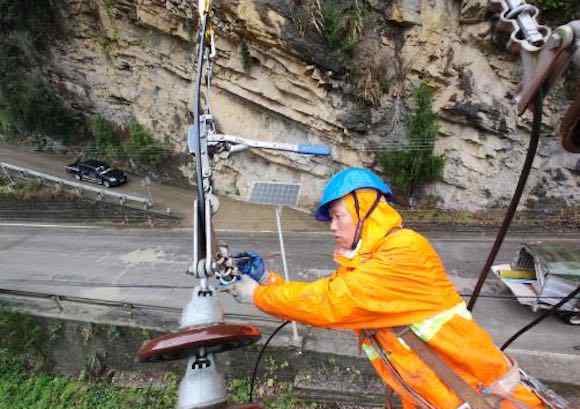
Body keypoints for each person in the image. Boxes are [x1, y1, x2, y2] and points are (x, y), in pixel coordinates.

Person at [231, 167, 548, 409]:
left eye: (338, 216)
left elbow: (332, 302)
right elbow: (331, 292)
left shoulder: (405, 250)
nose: (331, 226)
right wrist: (268, 281)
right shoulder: (372, 263)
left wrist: (258, 295)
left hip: (492, 401)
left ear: (363, 209)